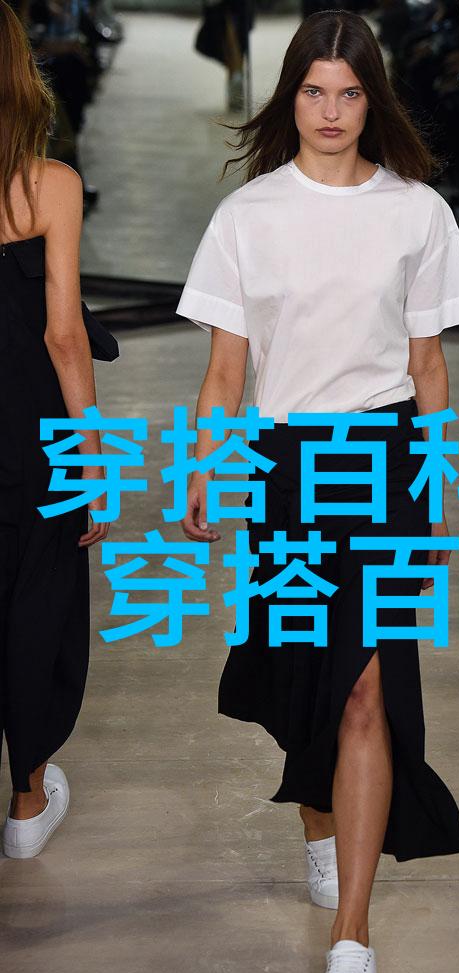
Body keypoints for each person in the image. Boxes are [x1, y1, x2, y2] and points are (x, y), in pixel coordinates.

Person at [176, 9, 459, 973]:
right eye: (314, 91)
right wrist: (203, 465)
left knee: (365, 686)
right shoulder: (248, 215)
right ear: (290, 96)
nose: (332, 111)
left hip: (383, 460)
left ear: (371, 99)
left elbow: (429, 368)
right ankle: (320, 810)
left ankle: (352, 933)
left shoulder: (415, 213)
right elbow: (226, 374)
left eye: (349, 92)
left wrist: (436, 493)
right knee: (301, 674)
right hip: (283, 464)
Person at [0, 0, 108, 858]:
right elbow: (64, 335)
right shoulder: (49, 186)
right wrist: (93, 460)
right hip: (30, 435)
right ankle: (27, 804)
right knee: (38, 608)